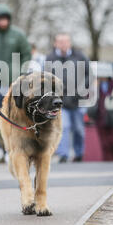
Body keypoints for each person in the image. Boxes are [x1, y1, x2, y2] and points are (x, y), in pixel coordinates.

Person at [0, 3, 31, 165]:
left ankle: (12, 149)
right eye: (0, 19)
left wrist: (22, 78)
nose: (3, 22)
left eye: (6, 19)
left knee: (14, 118)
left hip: (13, 84)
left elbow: (26, 56)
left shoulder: (18, 35)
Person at [45, 33, 90, 163]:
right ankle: (63, 154)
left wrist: (82, 88)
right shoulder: (50, 58)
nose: (63, 44)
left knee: (79, 129)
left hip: (78, 100)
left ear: (69, 43)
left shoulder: (80, 56)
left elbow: (89, 74)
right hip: (59, 101)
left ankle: (79, 153)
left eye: (65, 41)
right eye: (60, 42)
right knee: (63, 126)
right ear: (55, 43)